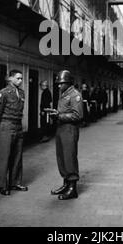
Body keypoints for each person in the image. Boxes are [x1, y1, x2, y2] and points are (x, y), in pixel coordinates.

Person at [50, 70, 83, 200]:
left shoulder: (75, 95)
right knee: (61, 157)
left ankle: (72, 188)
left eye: (61, 83)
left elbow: (78, 115)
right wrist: (56, 113)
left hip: (69, 130)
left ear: (68, 83)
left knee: (69, 157)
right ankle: (66, 183)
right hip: (61, 128)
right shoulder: (64, 94)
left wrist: (59, 116)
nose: (59, 86)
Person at [0, 69, 28, 196]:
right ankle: (2, 185)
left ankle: (15, 182)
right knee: (5, 156)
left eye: (21, 78)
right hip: (6, 125)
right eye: (18, 78)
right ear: (10, 78)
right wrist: (3, 124)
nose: (20, 80)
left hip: (18, 125)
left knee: (17, 155)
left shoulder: (22, 93)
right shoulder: (3, 93)